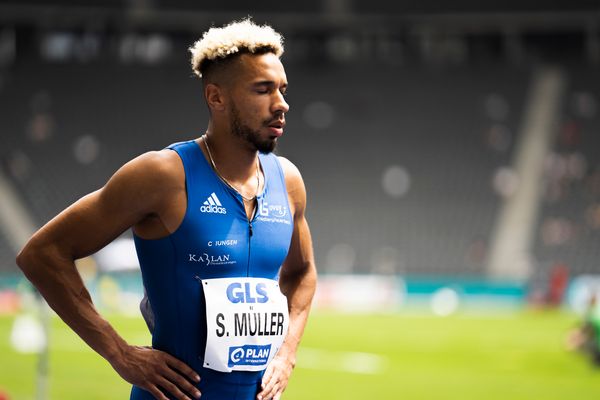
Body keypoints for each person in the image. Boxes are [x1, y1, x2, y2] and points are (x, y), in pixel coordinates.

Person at [16, 18, 317, 400]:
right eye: (263, 90)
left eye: (282, 89)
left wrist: (286, 354)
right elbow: (41, 254)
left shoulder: (287, 181)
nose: (282, 104)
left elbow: (303, 272)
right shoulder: (162, 175)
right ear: (216, 97)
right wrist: (119, 352)